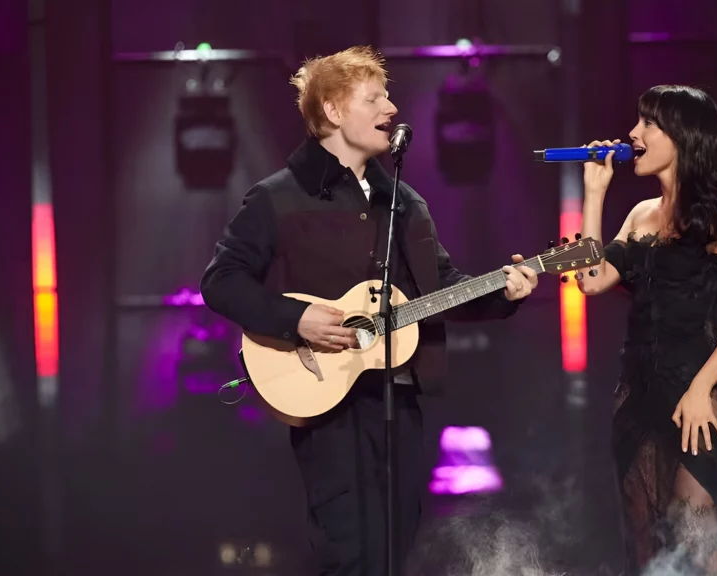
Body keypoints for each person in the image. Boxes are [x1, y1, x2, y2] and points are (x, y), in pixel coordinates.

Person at [199, 45, 538, 576]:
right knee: (349, 553)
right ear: (333, 111)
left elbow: (441, 286)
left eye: (389, 97)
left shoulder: (406, 202)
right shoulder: (277, 198)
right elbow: (222, 281)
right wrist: (297, 319)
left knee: (394, 551)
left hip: (399, 399)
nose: (392, 110)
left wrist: (504, 293)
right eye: (375, 98)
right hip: (328, 406)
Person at [575, 85, 717, 575]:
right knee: (648, 547)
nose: (632, 134)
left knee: (697, 540)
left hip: (699, 394)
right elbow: (592, 279)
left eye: (647, 124)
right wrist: (595, 192)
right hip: (637, 395)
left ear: (682, 135)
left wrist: (702, 388)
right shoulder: (640, 214)